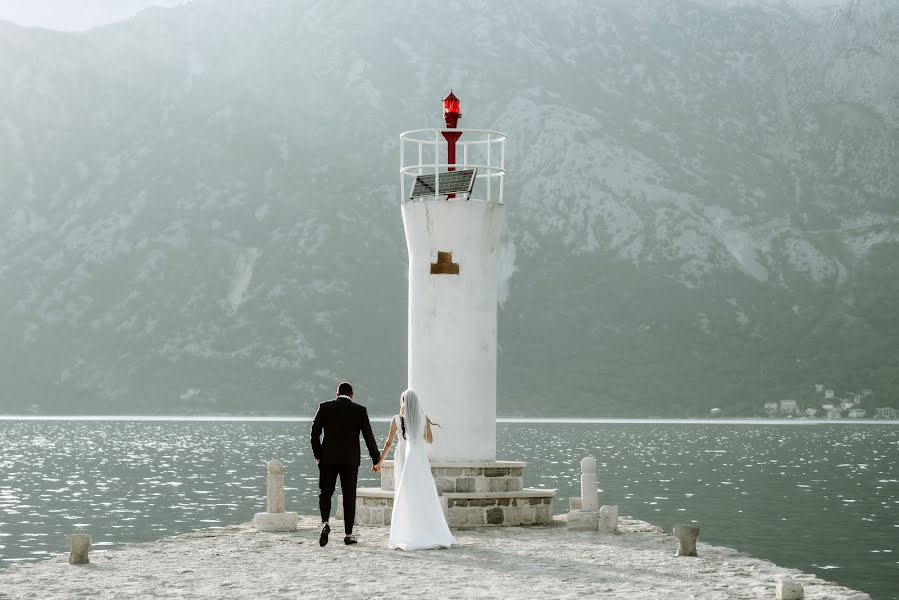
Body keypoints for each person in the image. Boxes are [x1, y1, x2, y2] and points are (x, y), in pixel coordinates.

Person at [376, 388, 453, 550]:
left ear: (403, 402)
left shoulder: (397, 419)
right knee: (423, 492)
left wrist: (380, 462)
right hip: (419, 458)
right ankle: (426, 530)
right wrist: (421, 429)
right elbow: (430, 440)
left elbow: (388, 443)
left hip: (403, 458)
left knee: (404, 492)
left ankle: (405, 532)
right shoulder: (423, 418)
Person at [311, 381, 380, 547]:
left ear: (337, 394)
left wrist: (318, 456)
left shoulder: (325, 407)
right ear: (351, 395)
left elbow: (314, 434)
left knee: (325, 492)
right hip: (350, 460)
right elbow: (368, 436)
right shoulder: (360, 410)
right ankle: (348, 535)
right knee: (349, 496)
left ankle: (325, 523)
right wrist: (376, 459)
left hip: (328, 459)